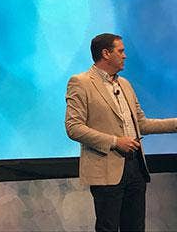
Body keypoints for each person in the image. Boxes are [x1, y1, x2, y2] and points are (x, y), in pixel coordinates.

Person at [65, 33, 177, 232]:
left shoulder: (124, 84)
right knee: (108, 227)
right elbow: (74, 127)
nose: (125, 55)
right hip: (106, 170)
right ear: (106, 53)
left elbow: (141, 124)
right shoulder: (81, 82)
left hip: (135, 167)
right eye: (121, 51)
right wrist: (115, 142)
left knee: (135, 227)